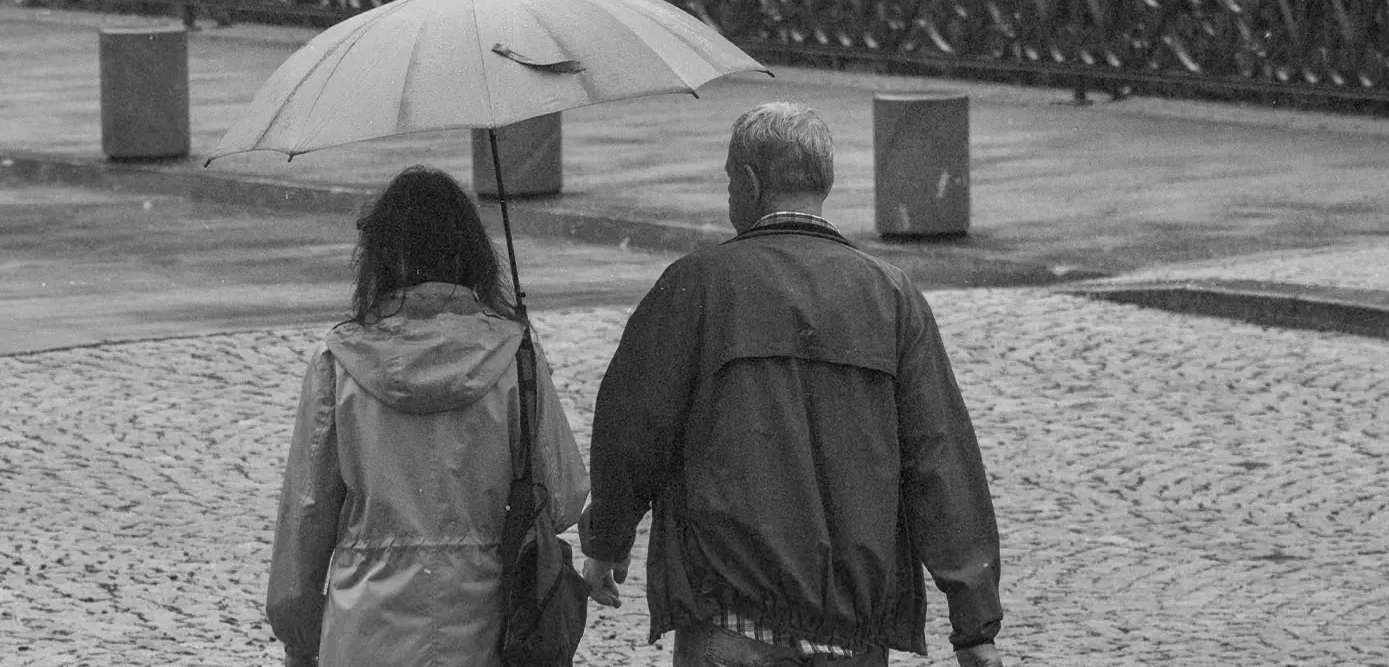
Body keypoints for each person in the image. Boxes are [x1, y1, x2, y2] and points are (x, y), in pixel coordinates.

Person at [579, 102, 1005, 667]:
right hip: (853, 629)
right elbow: (940, 461)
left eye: (730, 180)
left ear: (750, 182)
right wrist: (975, 627)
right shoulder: (893, 297)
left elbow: (632, 431)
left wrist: (607, 541)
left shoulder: (698, 286)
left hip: (731, 620)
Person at [265, 165, 589, 667]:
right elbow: (564, 495)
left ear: (379, 259)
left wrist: (300, 635)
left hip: (365, 635)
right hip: (483, 631)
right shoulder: (514, 356)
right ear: (471, 253)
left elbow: (305, 524)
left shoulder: (339, 365)